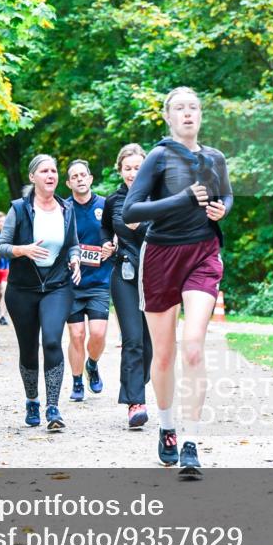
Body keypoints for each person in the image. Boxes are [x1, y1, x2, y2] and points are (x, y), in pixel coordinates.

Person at [123, 86, 233, 480]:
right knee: (165, 354)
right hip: (161, 256)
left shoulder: (214, 158)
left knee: (192, 348)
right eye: (180, 109)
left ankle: (191, 441)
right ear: (168, 117)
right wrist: (184, 198)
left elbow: (227, 196)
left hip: (202, 254)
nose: (188, 114)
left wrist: (221, 209)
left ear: (201, 115)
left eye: (194, 108)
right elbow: (131, 210)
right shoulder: (158, 157)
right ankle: (167, 426)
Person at [0, 154, 82, 432]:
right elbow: (2, 246)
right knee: (29, 348)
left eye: (54, 171)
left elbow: (73, 244)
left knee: (53, 342)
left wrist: (75, 258)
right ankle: (32, 400)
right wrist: (24, 250)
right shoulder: (19, 209)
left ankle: (53, 407)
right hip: (22, 289)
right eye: (44, 171)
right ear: (33, 177)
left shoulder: (67, 208)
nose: (51, 175)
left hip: (57, 286)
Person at [102, 143, 153, 428]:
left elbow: (168, 230)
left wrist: (142, 226)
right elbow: (105, 228)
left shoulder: (158, 197)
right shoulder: (114, 201)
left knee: (150, 344)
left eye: (138, 168)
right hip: (125, 275)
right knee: (132, 339)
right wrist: (105, 243)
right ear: (120, 170)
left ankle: (136, 382)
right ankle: (136, 402)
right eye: (128, 168)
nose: (133, 173)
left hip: (156, 277)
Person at [65, 159, 115, 402]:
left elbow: (119, 233)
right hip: (72, 283)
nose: (79, 179)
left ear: (91, 178)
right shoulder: (63, 209)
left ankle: (92, 365)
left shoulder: (105, 205)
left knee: (97, 334)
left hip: (99, 281)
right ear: (68, 183)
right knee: (76, 335)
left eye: (83, 175)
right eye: (74, 177)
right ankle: (76, 381)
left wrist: (112, 246)